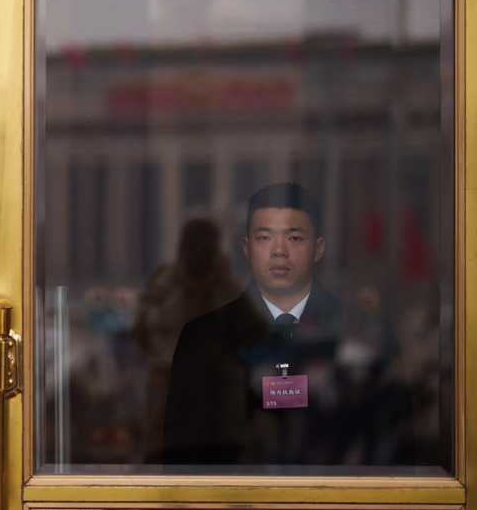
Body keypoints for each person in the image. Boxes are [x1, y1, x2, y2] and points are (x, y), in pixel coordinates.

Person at [161, 183, 415, 467]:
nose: (279, 251)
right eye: (264, 237)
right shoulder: (211, 325)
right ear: (247, 248)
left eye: (294, 238)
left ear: (317, 247)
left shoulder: (352, 321)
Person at [133, 218, 241, 463]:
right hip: (169, 403)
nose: (198, 260)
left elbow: (249, 331)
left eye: (205, 252)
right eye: (193, 250)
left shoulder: (223, 286)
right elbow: (141, 332)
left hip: (212, 410)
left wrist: (223, 283)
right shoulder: (163, 284)